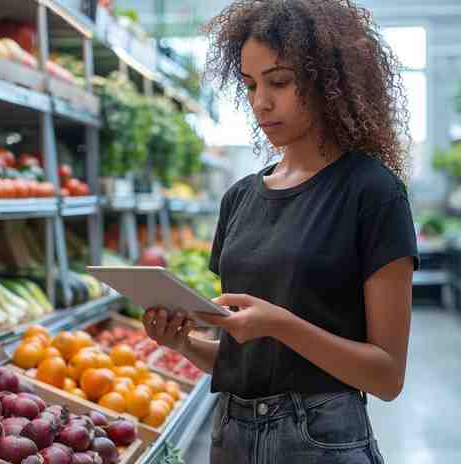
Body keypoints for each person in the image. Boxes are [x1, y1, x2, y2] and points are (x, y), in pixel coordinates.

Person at [142, 1, 418, 463]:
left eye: (279, 81)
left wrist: (280, 325)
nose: (260, 102)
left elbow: (387, 377)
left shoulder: (373, 192)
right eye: (250, 85)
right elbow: (241, 360)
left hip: (321, 440)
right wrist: (182, 343)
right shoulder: (239, 198)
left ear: (331, 82)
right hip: (230, 434)